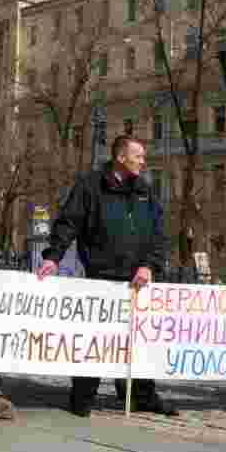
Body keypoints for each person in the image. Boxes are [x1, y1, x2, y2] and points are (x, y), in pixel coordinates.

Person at [37, 135, 178, 418]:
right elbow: (69, 223)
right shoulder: (90, 186)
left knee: (138, 341)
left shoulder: (145, 191)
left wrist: (149, 265)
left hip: (137, 279)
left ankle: (141, 396)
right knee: (96, 340)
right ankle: (82, 397)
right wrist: (53, 257)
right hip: (100, 277)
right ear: (120, 157)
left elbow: (159, 233)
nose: (143, 161)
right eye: (137, 155)